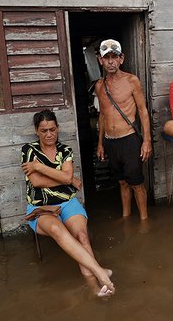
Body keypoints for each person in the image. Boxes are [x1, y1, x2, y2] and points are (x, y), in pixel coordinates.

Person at [21, 110, 115, 298]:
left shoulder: (65, 150)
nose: (49, 134)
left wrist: (40, 167)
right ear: (36, 131)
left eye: (52, 129)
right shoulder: (28, 150)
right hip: (41, 207)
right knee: (57, 230)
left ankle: (97, 286)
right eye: (44, 130)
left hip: (67, 202)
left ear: (58, 128)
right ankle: (98, 275)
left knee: (81, 235)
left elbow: (64, 176)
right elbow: (37, 183)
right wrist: (68, 180)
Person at [93, 39, 153, 220]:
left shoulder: (131, 81)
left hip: (129, 140)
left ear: (121, 59)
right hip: (111, 142)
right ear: (100, 60)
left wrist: (147, 141)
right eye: (106, 57)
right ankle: (126, 217)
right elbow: (102, 115)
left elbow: (143, 111)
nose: (111, 61)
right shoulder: (99, 86)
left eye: (114, 57)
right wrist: (100, 143)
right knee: (121, 182)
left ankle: (144, 221)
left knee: (136, 183)